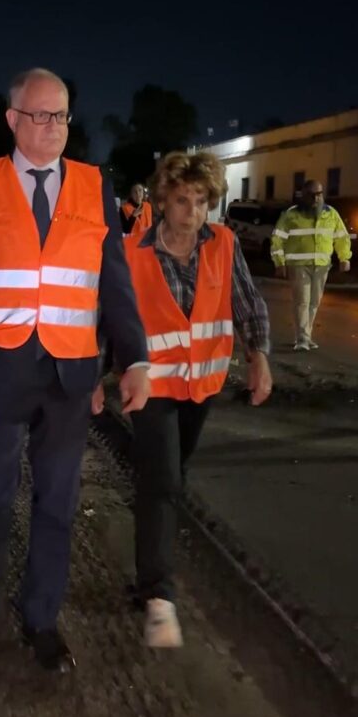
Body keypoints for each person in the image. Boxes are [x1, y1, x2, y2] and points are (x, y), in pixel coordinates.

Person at [0, 68, 150, 673]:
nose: (52, 127)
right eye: (40, 115)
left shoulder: (94, 185)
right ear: (13, 119)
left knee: (58, 501)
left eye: (61, 116)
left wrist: (134, 358)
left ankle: (42, 617)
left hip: (70, 375)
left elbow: (114, 281)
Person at [93, 150, 272, 647]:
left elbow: (247, 301)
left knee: (171, 477)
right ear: (161, 202)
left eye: (200, 202)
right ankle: (159, 595)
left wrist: (259, 356)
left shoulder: (225, 244)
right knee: (162, 482)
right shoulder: (132, 253)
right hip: (150, 387)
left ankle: (150, 572)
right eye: (180, 201)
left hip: (202, 387)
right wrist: (94, 375)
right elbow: (106, 318)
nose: (190, 212)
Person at [270, 179, 351, 351]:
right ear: (303, 196)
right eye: (312, 195)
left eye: (319, 194)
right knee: (302, 301)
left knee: (314, 302)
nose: (316, 199)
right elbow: (277, 239)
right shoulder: (291, 214)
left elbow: (342, 237)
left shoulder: (331, 214)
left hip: (322, 266)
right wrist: (279, 262)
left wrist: (344, 258)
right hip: (298, 265)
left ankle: (307, 335)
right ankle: (302, 339)